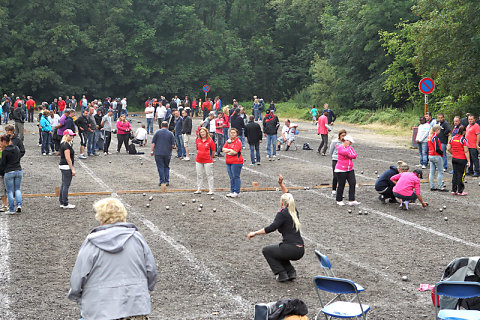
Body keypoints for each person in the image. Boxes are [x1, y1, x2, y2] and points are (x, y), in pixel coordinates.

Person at [68, 197, 157, 320]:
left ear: (100, 216)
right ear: (123, 214)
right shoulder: (137, 239)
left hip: (99, 310)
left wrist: (76, 295)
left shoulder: (91, 242)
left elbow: (78, 277)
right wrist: (142, 291)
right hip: (135, 307)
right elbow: (151, 271)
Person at [248, 174, 304, 282]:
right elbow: (288, 194)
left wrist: (254, 233)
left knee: (267, 251)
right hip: (300, 249)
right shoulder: (294, 210)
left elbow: (271, 228)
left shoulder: (282, 213)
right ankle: (291, 271)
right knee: (279, 249)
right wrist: (281, 184)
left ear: (282, 202)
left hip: (291, 249)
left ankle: (281, 273)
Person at [335, 135, 360, 206]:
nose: (351, 143)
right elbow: (345, 152)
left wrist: (348, 152)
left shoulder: (350, 147)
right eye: (350, 142)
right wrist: (349, 152)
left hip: (350, 169)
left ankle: (352, 199)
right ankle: (339, 199)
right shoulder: (340, 147)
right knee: (341, 184)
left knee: (352, 183)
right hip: (341, 170)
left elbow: (354, 155)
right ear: (345, 141)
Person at [0, 134, 22, 214]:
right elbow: (19, 157)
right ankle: (19, 205)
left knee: (9, 191)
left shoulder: (5, 151)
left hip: (9, 171)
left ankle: (12, 209)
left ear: (4, 142)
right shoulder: (16, 148)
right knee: (17, 189)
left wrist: (2, 172)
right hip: (18, 170)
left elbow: (2, 163)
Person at [447, 126, 470, 196]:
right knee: (461, 175)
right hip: (462, 159)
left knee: (455, 174)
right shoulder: (463, 139)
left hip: (454, 158)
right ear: (464, 132)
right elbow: (466, 151)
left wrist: (453, 153)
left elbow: (448, 148)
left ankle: (453, 190)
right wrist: (469, 161)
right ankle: (460, 191)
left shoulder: (452, 138)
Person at [151, 121, 176, 186]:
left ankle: (162, 181)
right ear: (167, 126)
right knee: (166, 167)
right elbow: (173, 145)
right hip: (167, 153)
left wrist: (152, 151)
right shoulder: (171, 134)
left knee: (160, 167)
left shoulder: (157, 132)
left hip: (158, 153)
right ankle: (167, 181)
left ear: (161, 126)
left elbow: (153, 143)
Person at [194, 127, 216, 194]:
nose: (202, 133)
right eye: (201, 132)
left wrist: (210, 157)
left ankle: (211, 189)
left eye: (203, 132)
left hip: (207, 160)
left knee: (209, 175)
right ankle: (199, 189)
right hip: (199, 160)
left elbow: (213, 150)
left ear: (206, 132)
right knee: (199, 174)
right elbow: (197, 148)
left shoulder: (210, 140)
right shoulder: (198, 140)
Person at [223, 128, 243, 198]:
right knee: (231, 177)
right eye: (231, 133)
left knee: (236, 176)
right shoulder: (228, 141)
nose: (232, 134)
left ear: (236, 133)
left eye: (234, 133)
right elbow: (223, 149)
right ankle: (232, 191)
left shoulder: (238, 142)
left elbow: (234, 152)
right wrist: (229, 150)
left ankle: (236, 191)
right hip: (228, 161)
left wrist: (228, 151)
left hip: (236, 162)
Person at [59, 129, 76, 209]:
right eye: (70, 135)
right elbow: (68, 158)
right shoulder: (66, 145)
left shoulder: (63, 144)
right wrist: (72, 169)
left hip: (63, 165)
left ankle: (62, 202)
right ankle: (65, 203)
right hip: (66, 166)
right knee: (66, 185)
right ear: (66, 136)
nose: (72, 136)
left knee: (63, 184)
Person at [428, 124, 447, 191]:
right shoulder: (435, 137)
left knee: (432, 172)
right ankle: (440, 186)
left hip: (430, 155)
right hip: (436, 155)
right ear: (437, 130)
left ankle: (432, 186)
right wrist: (442, 153)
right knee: (440, 171)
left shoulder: (430, 137)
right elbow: (437, 148)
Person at [329, 129, 347, 197]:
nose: (343, 137)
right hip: (335, 160)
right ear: (339, 135)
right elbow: (331, 151)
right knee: (335, 175)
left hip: (342, 160)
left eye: (345, 136)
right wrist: (334, 157)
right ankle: (334, 190)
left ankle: (339, 191)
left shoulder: (345, 142)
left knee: (342, 176)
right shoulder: (335, 142)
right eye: (342, 135)